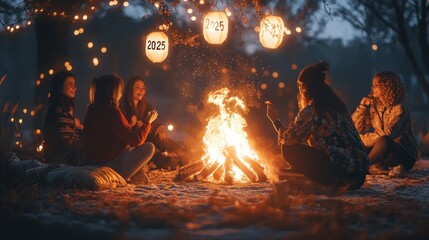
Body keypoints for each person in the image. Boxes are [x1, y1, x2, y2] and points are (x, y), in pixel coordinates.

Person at [266, 61, 369, 190]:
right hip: (359, 177)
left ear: (305, 88)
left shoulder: (313, 110)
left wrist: (275, 120)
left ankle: (321, 181)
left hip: (342, 176)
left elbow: (289, 139)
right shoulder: (339, 107)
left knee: (288, 148)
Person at [82, 74, 158, 182]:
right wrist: (148, 122)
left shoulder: (92, 109)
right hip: (108, 166)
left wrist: (129, 126)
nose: (121, 93)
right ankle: (123, 175)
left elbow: (110, 134)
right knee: (149, 147)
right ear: (112, 92)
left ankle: (135, 173)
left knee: (127, 147)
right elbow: (135, 140)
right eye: (119, 90)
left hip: (95, 160)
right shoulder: (112, 112)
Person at [352, 71, 418, 176]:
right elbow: (354, 128)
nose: (372, 87)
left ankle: (361, 167)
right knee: (356, 142)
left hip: (403, 154)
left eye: (376, 85)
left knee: (384, 140)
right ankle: (362, 164)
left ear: (387, 86)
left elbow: (388, 134)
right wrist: (362, 108)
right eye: (372, 85)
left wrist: (363, 139)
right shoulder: (375, 106)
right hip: (384, 151)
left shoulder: (400, 108)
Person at [119, 76, 187, 170]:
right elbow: (123, 131)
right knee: (156, 151)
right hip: (136, 143)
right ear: (130, 89)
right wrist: (132, 125)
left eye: (143, 88)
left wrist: (160, 128)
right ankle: (165, 159)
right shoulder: (123, 107)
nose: (141, 90)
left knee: (166, 140)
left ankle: (183, 156)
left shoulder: (146, 107)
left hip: (150, 138)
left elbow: (154, 124)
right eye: (138, 87)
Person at [43, 71, 83, 166]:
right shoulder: (60, 110)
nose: (74, 87)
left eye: (74, 84)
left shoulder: (58, 108)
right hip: (62, 162)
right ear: (60, 87)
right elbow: (67, 143)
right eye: (70, 84)